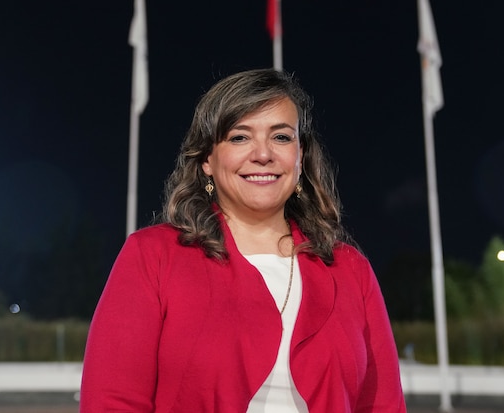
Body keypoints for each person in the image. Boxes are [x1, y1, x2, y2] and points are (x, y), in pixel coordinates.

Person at [80, 68, 407, 412]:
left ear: (301, 157)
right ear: (207, 159)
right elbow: (111, 402)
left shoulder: (350, 270)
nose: (262, 154)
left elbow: (383, 404)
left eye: (281, 137)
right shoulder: (153, 256)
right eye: (239, 137)